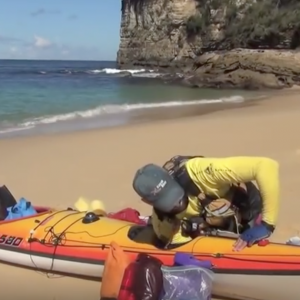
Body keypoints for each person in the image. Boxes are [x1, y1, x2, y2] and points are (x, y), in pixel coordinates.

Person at [132, 155, 279, 251]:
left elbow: (266, 166)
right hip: (210, 225)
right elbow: (175, 247)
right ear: (147, 202)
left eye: (174, 193)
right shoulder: (162, 222)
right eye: (167, 201)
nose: (176, 203)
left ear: (170, 178)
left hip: (245, 206)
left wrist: (268, 224)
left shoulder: (201, 172)